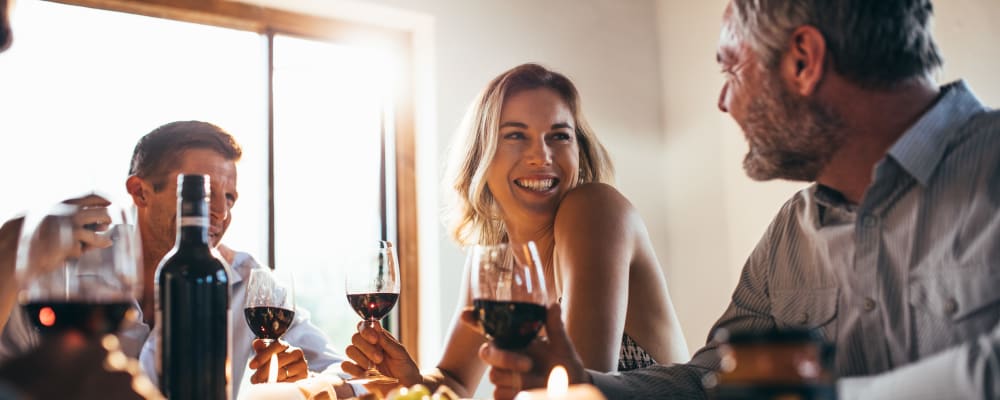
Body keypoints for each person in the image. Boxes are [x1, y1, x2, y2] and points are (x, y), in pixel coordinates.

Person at [478, 1, 1000, 399]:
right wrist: (583, 384)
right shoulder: (791, 234)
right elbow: (711, 379)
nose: (723, 101)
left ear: (803, 60)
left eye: (732, 69)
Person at [343, 63, 689, 398]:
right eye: (515, 135)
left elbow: (574, 389)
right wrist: (410, 380)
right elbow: (455, 380)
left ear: (579, 152)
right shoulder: (497, 257)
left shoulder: (593, 208)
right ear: (482, 154)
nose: (541, 155)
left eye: (558, 136)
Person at [1, 121, 359, 398]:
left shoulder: (250, 285)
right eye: (201, 192)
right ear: (141, 192)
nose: (219, 212)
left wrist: (305, 382)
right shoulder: (61, 276)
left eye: (230, 197)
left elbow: (344, 376)